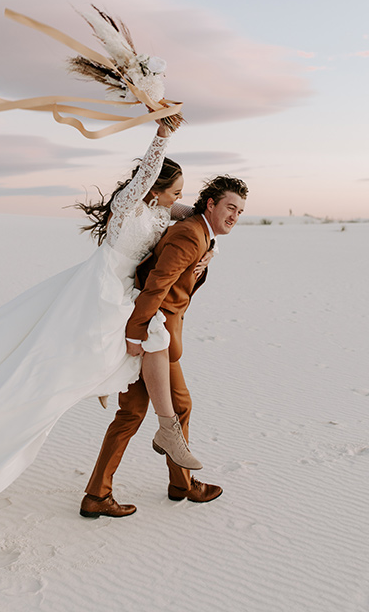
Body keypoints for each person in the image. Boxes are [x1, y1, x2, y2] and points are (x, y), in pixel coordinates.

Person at [0, 122, 206, 523]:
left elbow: (197, 216)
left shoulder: (161, 211)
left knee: (145, 360)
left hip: (121, 291)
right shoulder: (129, 205)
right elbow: (148, 172)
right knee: (122, 352)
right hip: (102, 291)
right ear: (154, 188)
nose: (179, 199)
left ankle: (152, 447)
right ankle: (162, 437)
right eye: (175, 191)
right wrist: (162, 135)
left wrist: (207, 237)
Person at [80, 174, 248, 518]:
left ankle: (100, 493)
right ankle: (179, 484)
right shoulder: (190, 234)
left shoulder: (200, 233)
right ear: (212, 204)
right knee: (177, 406)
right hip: (154, 335)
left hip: (155, 332)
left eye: (241, 211)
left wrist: (209, 254)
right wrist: (137, 335)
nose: (235, 215)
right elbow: (156, 286)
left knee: (132, 414)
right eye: (231, 207)